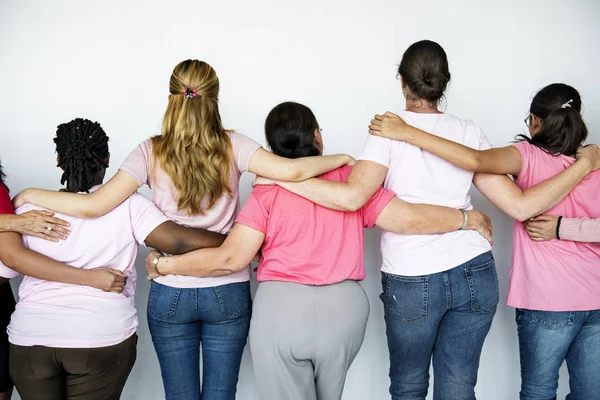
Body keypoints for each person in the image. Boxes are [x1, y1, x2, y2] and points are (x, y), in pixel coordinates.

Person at [252, 42, 598, 400]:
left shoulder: (387, 130)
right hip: (473, 270)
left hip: (413, 276)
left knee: (409, 386)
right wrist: (582, 165)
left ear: (402, 82)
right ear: (444, 83)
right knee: (459, 386)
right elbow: (519, 206)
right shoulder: (468, 132)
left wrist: (283, 176)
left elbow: (353, 197)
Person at [11, 60, 354, 400]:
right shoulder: (234, 145)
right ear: (214, 98)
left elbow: (93, 205)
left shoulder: (149, 151)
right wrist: (340, 158)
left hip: (169, 289)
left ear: (172, 98)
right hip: (227, 289)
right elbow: (292, 173)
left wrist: (30, 194)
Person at [145, 101, 494, 400]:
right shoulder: (353, 180)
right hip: (344, 314)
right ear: (317, 136)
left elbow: (230, 259)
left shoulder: (267, 190)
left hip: (280, 313)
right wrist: (466, 218)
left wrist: (164, 266)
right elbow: (406, 218)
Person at [368, 82, 600, 399]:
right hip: (595, 295)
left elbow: (475, 161)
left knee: (538, 390)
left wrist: (408, 132)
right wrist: (583, 172)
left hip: (549, 298)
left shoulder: (527, 155)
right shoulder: (595, 162)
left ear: (535, 121)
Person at [0, 118, 247, 400]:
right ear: (106, 158)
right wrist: (241, 244)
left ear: (59, 160)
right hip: (99, 340)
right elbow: (181, 241)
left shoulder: (26, 212)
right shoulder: (129, 205)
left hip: (31, 341)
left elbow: (7, 267)